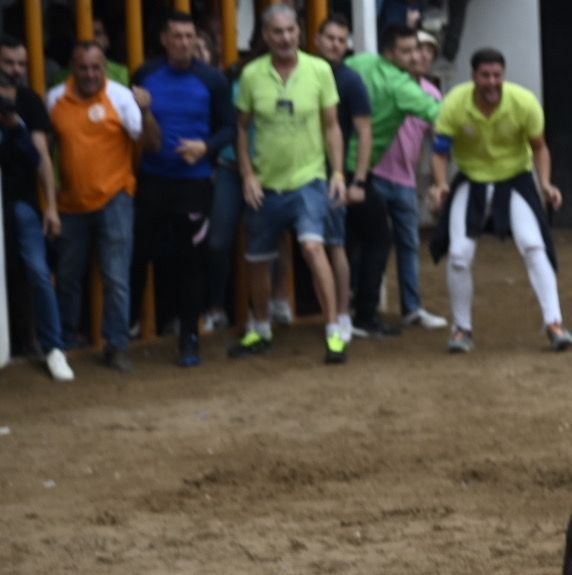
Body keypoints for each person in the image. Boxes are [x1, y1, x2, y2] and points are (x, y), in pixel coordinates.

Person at [429, 47, 572, 354]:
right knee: (458, 255)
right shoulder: (455, 103)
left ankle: (555, 323)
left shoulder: (523, 103)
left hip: (515, 179)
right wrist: (441, 185)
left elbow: (540, 147)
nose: (492, 82)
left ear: (504, 76)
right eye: (485, 75)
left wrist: (545, 183)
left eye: (497, 75)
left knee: (534, 245)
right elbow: (440, 153)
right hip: (471, 180)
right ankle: (461, 329)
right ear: (474, 77)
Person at [230, 4, 350, 364]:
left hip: (309, 179)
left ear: (300, 33)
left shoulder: (319, 70)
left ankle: (333, 333)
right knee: (258, 258)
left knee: (313, 248)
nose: (285, 38)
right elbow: (241, 127)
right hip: (266, 182)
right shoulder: (251, 75)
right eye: (277, 32)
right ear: (266, 36)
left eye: (290, 31)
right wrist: (248, 175)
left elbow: (332, 126)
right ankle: (262, 329)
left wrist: (339, 172)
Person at [47, 40, 159, 374]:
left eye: (97, 67)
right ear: (72, 67)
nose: (90, 74)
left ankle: (117, 345)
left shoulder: (121, 96)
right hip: (70, 202)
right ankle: (66, 341)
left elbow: (152, 143)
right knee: (66, 276)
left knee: (116, 277)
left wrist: (147, 111)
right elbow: (45, 148)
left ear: (105, 68)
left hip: (115, 197)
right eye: (83, 67)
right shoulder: (55, 99)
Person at [132, 10, 232, 367]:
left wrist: (205, 147)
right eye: (177, 36)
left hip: (194, 184)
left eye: (190, 36)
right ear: (164, 39)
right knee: (143, 252)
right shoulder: (146, 74)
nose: (184, 42)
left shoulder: (213, 80)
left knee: (192, 262)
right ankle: (135, 325)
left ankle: (189, 336)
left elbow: (229, 128)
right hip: (152, 179)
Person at [344, 23, 441, 336]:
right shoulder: (403, 86)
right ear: (390, 52)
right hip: (358, 170)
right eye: (406, 50)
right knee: (376, 240)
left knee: (350, 241)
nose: (414, 56)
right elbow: (439, 115)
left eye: (416, 49)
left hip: (339, 165)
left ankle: (351, 312)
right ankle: (363, 316)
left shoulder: (361, 63)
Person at [0, 36, 71, 381]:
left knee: (39, 273)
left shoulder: (29, 101)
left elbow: (40, 157)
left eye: (20, 64)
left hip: (23, 200)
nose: (15, 70)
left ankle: (54, 348)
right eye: (8, 63)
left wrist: (51, 207)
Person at [313, 15, 373, 344]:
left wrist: (359, 181)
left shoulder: (350, 80)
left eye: (341, 40)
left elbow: (365, 132)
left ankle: (343, 314)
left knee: (336, 244)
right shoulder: (303, 70)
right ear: (318, 39)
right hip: (297, 171)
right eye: (330, 38)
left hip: (334, 174)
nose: (335, 45)